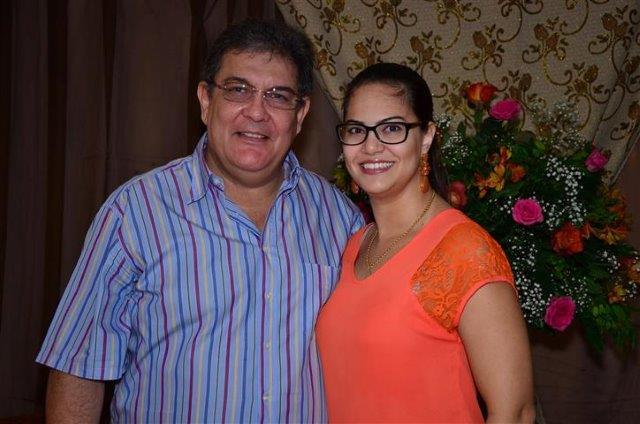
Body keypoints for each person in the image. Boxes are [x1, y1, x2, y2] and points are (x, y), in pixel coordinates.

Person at [37, 19, 363, 423]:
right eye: (238, 89)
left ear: (300, 116)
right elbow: (78, 366)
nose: (256, 112)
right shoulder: (135, 213)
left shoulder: (341, 220)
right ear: (206, 101)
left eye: (278, 96)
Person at [316, 63, 535, 423]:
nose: (371, 146)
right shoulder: (354, 244)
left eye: (392, 128)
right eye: (356, 130)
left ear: (427, 137)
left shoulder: (464, 250)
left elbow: (516, 412)